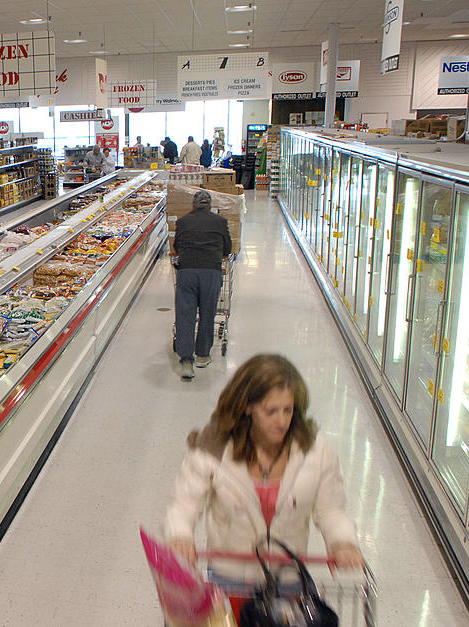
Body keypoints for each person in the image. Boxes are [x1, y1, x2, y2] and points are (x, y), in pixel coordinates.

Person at [164, 354, 363, 598]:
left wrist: (342, 542)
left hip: (288, 579)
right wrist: (180, 536)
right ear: (248, 407)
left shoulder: (314, 451)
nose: (281, 421)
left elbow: (331, 510)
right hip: (230, 579)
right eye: (271, 411)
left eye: (287, 410)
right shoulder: (213, 449)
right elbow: (183, 504)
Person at [172, 190, 231, 380]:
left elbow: (177, 247)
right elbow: (227, 248)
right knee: (207, 313)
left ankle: (186, 361)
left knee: (185, 315)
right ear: (210, 206)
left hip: (187, 272)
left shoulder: (183, 222)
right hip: (211, 273)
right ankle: (203, 355)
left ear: (193, 205)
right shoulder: (220, 222)